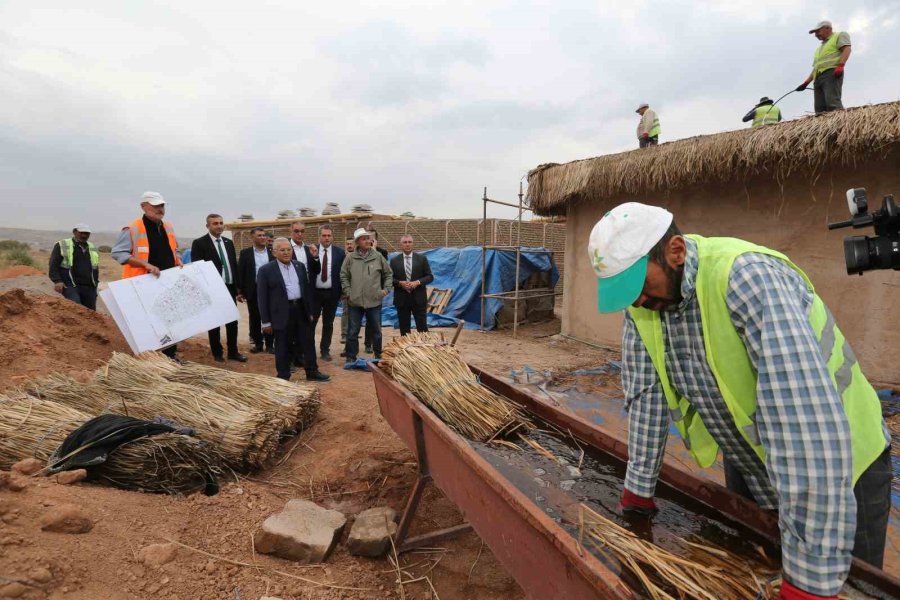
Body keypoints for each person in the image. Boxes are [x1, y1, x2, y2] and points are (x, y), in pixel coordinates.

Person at [588, 203, 890, 600]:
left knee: (847, 588)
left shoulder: (747, 279)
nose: (638, 300)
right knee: (753, 572)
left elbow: (804, 429)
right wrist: (638, 492)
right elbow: (647, 396)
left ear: (675, 251)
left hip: (840, 462)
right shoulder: (644, 306)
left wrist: (810, 585)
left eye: (639, 285)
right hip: (751, 455)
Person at [111, 191, 182, 359]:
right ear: (143, 206)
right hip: (141, 284)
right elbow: (118, 253)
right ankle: (149, 357)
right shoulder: (133, 228)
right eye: (155, 205)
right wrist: (145, 264)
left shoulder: (168, 227)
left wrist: (177, 260)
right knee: (147, 324)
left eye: (162, 205)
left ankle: (169, 355)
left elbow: (174, 249)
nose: (160, 208)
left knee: (168, 320)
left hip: (166, 283)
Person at [257, 238, 330, 382]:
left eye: (289, 249)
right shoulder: (266, 270)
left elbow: (306, 290)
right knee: (283, 345)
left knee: (308, 342)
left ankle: (312, 371)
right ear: (274, 252)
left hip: (300, 310)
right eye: (282, 250)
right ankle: (283, 376)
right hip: (281, 313)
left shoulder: (299, 266)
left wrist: (309, 312)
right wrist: (265, 322)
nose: (286, 253)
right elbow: (262, 297)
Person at [190, 215, 247, 363]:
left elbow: (233, 265)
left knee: (232, 321)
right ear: (208, 226)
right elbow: (197, 268)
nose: (219, 226)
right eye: (215, 223)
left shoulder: (228, 243)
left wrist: (238, 288)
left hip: (229, 287)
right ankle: (217, 352)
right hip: (212, 289)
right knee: (214, 322)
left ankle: (233, 352)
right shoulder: (199, 243)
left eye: (221, 223)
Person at [341, 228, 392, 362]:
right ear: (357, 242)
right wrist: (348, 291)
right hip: (355, 301)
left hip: (374, 301)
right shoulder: (350, 257)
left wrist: (386, 290)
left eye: (368, 238)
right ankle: (351, 357)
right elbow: (344, 275)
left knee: (376, 331)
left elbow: (388, 274)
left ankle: (378, 355)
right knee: (353, 331)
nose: (368, 241)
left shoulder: (378, 256)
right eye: (364, 239)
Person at [796, 20, 851, 113]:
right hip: (818, 78)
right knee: (819, 108)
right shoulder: (819, 49)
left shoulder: (839, 35)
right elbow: (816, 68)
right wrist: (806, 83)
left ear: (827, 28)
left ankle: (840, 124)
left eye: (818, 31)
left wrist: (841, 65)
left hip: (831, 73)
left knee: (832, 103)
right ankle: (824, 126)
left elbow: (847, 49)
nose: (816, 35)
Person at [287, 221, 320, 367]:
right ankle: (290, 359)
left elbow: (316, 270)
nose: (300, 234)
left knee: (305, 328)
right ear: (291, 232)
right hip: (290, 296)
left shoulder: (308, 249)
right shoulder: (285, 248)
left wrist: (315, 257)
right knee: (290, 330)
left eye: (302, 231)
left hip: (306, 295)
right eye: (296, 231)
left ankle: (300, 356)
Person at [238, 227, 275, 354]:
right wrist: (240, 291)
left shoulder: (272, 252)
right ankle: (258, 344)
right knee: (254, 318)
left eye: (264, 235)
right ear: (252, 238)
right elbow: (241, 272)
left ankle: (270, 344)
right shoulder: (245, 253)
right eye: (259, 235)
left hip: (270, 291)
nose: (263, 237)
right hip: (253, 290)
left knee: (269, 317)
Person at [48, 223, 100, 310]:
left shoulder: (92, 247)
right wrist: (57, 281)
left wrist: (95, 284)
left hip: (89, 287)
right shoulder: (63, 244)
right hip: (70, 285)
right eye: (81, 232)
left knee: (91, 315)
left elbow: (95, 267)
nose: (84, 235)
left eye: (86, 233)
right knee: (77, 309)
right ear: (74, 232)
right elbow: (53, 264)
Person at [390, 235, 433, 335]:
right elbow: (389, 279)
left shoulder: (422, 259)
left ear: (413, 243)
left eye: (409, 242)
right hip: (402, 298)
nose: (407, 244)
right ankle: (406, 349)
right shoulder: (394, 261)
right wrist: (400, 283)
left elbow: (430, 276)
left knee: (422, 328)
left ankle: (423, 347)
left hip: (419, 298)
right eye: (405, 242)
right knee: (404, 329)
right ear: (401, 244)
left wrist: (417, 282)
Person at [312, 225, 345, 362]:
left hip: (332, 294)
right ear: (319, 236)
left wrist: (342, 291)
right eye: (324, 235)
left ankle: (325, 350)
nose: (326, 238)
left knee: (328, 323)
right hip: (314, 294)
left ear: (332, 237)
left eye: (328, 235)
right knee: (311, 322)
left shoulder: (339, 252)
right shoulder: (312, 250)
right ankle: (307, 349)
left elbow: (343, 274)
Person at [364, 224, 389, 353]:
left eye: (371, 238)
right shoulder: (360, 252)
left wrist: (384, 289)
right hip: (362, 290)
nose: (369, 240)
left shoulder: (382, 253)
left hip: (376, 289)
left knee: (375, 318)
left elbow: (384, 270)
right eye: (367, 237)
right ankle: (367, 343)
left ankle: (374, 345)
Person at [339, 237, 355, 356]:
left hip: (359, 292)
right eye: (347, 243)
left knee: (355, 318)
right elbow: (341, 275)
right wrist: (344, 290)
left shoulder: (358, 257)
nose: (349, 245)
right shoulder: (341, 257)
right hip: (346, 291)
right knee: (346, 313)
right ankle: (344, 335)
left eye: (351, 243)